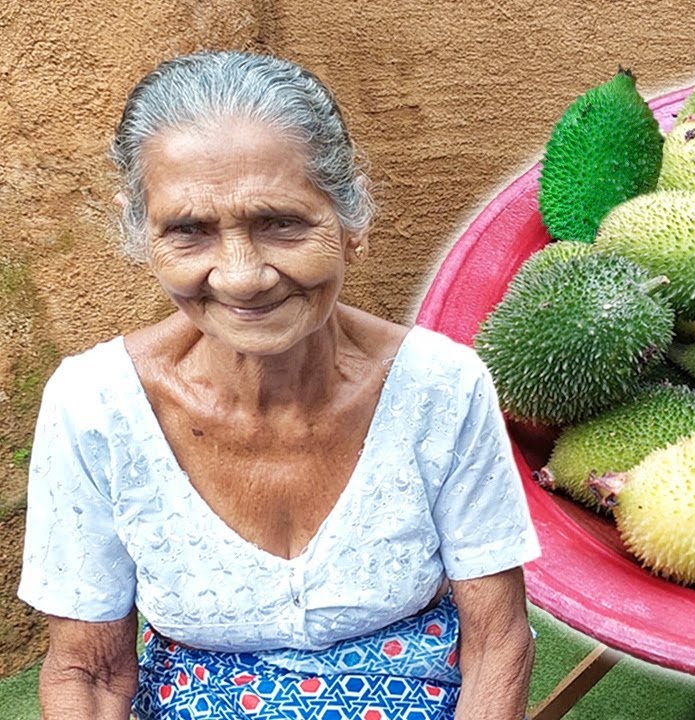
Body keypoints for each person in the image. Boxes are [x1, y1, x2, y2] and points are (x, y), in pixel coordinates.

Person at [18, 49, 540, 720]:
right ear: (142, 232)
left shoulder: (441, 387)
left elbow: (497, 643)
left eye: (281, 223)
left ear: (352, 218)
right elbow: (87, 673)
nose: (241, 276)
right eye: (189, 231)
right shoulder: (92, 405)